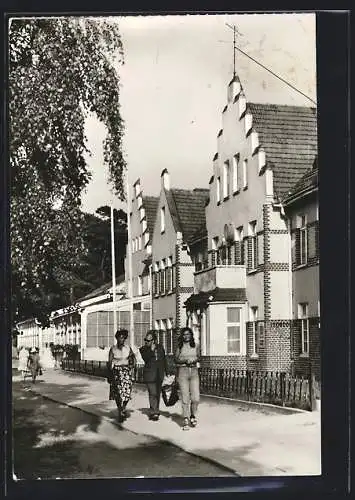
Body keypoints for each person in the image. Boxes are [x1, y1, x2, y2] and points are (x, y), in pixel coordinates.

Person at [175, 327, 200, 431]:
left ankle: (193, 415)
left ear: (191, 335)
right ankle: (185, 418)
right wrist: (185, 361)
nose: (186, 336)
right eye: (184, 334)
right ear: (182, 336)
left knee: (196, 398)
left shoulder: (196, 346)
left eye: (188, 334)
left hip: (194, 372)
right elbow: (175, 359)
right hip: (183, 372)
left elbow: (199, 356)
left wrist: (194, 360)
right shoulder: (180, 347)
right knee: (185, 397)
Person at [107, 329, 136, 422]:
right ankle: (120, 410)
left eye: (123, 338)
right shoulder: (113, 349)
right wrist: (109, 375)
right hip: (116, 372)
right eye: (120, 337)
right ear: (117, 338)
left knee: (127, 392)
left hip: (126, 372)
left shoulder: (128, 348)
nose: (121, 340)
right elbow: (110, 362)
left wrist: (132, 367)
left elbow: (133, 358)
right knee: (118, 393)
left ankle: (123, 407)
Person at [139, 330, 167, 421]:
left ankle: (155, 409)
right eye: (145, 340)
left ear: (153, 340)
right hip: (149, 375)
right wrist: (151, 350)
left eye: (148, 340)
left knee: (157, 394)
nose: (146, 342)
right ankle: (154, 412)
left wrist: (167, 372)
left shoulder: (160, 348)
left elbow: (164, 360)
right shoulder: (143, 349)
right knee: (153, 393)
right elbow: (146, 359)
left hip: (159, 374)